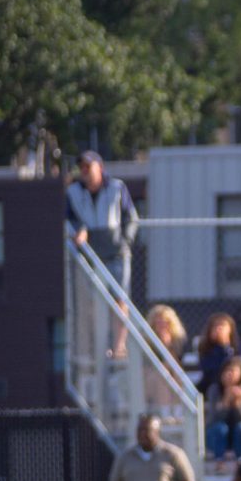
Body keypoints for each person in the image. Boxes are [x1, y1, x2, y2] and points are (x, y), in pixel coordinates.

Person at [66, 150, 138, 356]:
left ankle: (119, 347)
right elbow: (69, 218)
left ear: (100, 167)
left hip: (116, 254)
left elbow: (131, 218)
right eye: (82, 168)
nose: (85, 172)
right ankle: (98, 348)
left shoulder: (116, 187)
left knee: (120, 301)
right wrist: (79, 229)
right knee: (93, 304)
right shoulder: (73, 191)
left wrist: (125, 241)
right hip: (90, 257)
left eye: (89, 167)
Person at [205, 356, 241, 462]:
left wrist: (238, 403)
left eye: (232, 371)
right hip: (216, 435)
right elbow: (213, 419)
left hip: (235, 434)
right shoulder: (214, 390)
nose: (229, 374)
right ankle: (219, 459)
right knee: (220, 428)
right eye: (226, 370)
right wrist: (226, 401)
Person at [143, 304, 188, 410]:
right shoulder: (146, 341)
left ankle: (177, 411)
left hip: (173, 376)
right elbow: (150, 363)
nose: (162, 325)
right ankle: (166, 411)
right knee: (162, 375)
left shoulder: (178, 341)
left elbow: (177, 363)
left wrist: (167, 346)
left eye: (165, 322)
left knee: (172, 374)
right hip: (150, 379)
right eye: (158, 322)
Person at [196, 312, 240, 396]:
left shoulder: (236, 348)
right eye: (215, 326)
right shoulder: (205, 349)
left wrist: (225, 345)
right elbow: (209, 370)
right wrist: (220, 347)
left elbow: (234, 365)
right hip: (211, 385)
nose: (218, 329)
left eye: (222, 325)